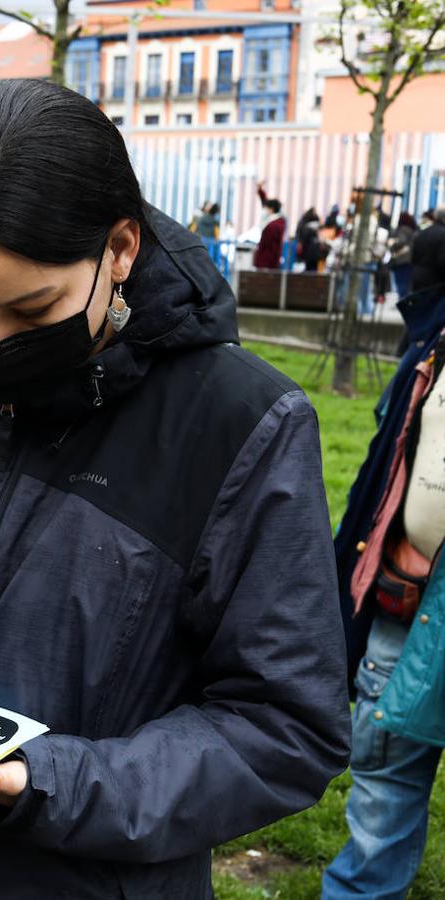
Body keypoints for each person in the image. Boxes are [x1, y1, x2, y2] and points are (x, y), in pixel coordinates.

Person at [0, 79, 349, 899]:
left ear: (120, 248)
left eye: (33, 313)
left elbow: (285, 727)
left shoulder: (241, 424)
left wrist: (50, 779)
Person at [323, 221, 445, 897]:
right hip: (409, 601)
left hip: (408, 602)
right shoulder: (431, 348)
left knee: (385, 786)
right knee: (385, 786)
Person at [410, 205, 445, 303]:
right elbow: (442, 262)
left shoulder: (422, 233)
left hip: (419, 278)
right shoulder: (443, 234)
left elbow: (413, 257)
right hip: (435, 282)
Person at [255, 182, 287, 269]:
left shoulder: (273, 225)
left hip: (267, 262)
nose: (265, 210)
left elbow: (268, 245)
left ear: (272, 209)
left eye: (267, 208)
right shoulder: (275, 221)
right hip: (269, 261)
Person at [297, 207, 326, 272]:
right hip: (313, 250)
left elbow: (301, 235)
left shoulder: (304, 223)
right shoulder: (316, 224)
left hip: (308, 250)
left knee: (308, 267)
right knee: (313, 267)